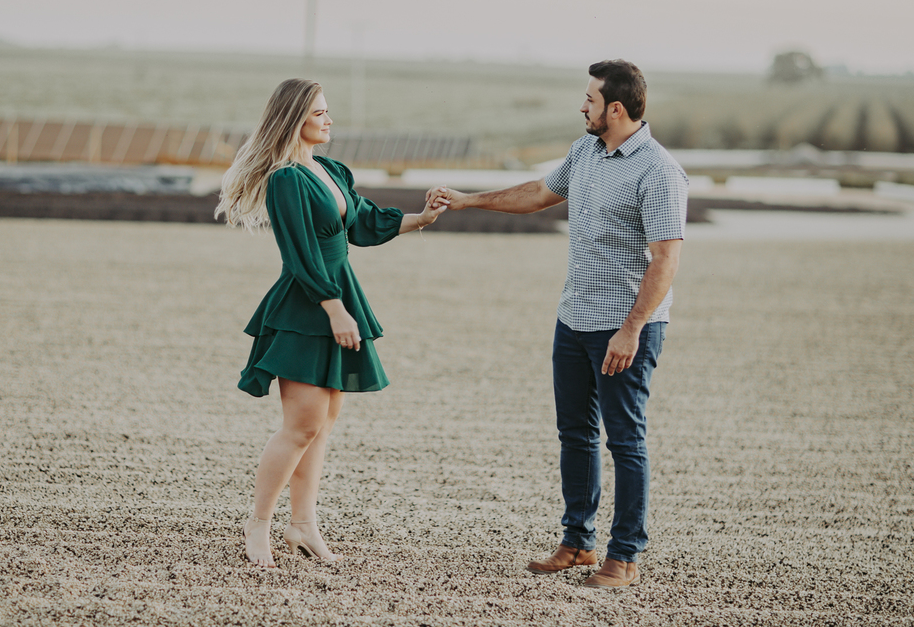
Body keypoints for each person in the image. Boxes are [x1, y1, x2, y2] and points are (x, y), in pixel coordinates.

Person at [428, 59, 687, 588]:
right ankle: (577, 544)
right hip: (573, 319)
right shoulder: (585, 151)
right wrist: (468, 199)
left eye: (590, 99)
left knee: (625, 441)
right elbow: (540, 194)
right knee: (575, 434)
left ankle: (625, 557)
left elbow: (665, 259)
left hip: (623, 328)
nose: (582, 106)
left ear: (616, 108)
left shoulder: (659, 171)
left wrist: (632, 329)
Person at [216, 78, 447, 568]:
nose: (328, 119)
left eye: (327, 112)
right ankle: (258, 524)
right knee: (300, 425)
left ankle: (303, 527)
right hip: (308, 306)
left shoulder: (330, 170)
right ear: (294, 118)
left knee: (322, 425)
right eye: (319, 112)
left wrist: (420, 219)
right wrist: (334, 307)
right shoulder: (285, 180)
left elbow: (362, 222)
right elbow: (299, 255)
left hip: (337, 297)